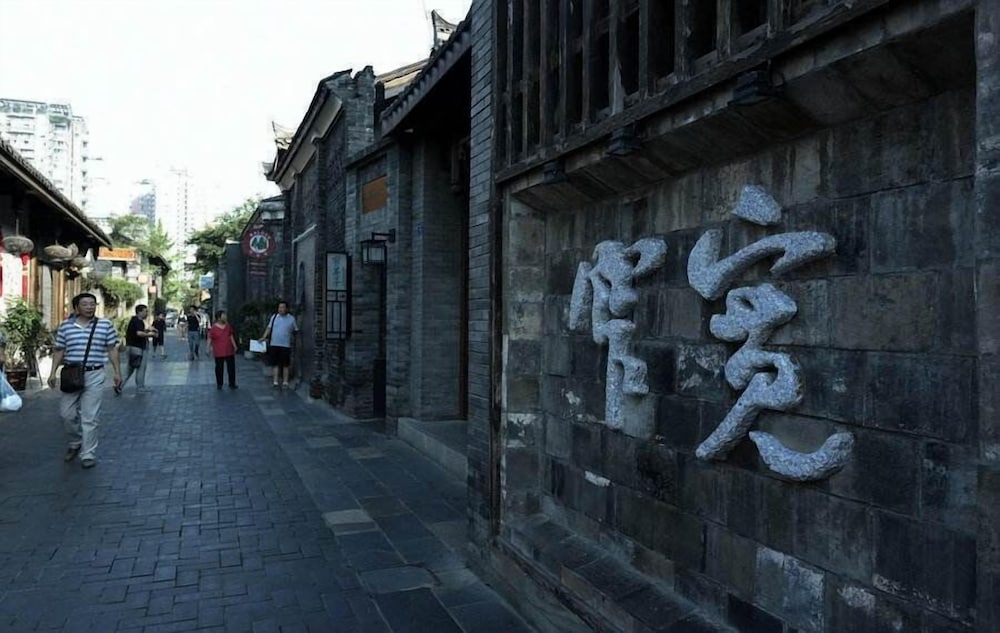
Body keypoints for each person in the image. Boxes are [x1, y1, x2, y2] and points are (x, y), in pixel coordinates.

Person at [47, 292, 122, 469]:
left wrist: (117, 372)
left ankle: (88, 453)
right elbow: (59, 350)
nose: (89, 307)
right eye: (85, 304)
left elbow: (112, 349)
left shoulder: (105, 325)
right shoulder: (66, 326)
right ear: (76, 308)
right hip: (71, 374)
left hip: (95, 374)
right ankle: (75, 441)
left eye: (92, 304)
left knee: (90, 417)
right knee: (66, 414)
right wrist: (52, 373)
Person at [117, 304, 156, 395]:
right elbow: (139, 333)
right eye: (145, 311)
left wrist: (147, 331)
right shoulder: (138, 321)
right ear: (139, 312)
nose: (146, 313)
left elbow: (137, 332)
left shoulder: (135, 320)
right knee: (140, 368)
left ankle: (119, 385)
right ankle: (140, 387)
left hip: (133, 347)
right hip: (138, 348)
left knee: (130, 368)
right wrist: (151, 335)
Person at [258, 300, 298, 389]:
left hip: (285, 345)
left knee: (285, 365)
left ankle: (285, 382)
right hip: (274, 344)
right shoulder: (274, 317)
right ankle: (275, 382)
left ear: (287, 309)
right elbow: (269, 328)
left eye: (283, 307)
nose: (281, 309)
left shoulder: (291, 318)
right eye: (279, 307)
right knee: (275, 364)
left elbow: (295, 330)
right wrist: (264, 337)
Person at [207, 310, 238, 390]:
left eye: (225, 315)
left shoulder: (228, 326)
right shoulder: (214, 328)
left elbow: (230, 336)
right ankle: (219, 383)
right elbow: (210, 338)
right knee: (219, 368)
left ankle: (232, 383)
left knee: (231, 368)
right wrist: (208, 348)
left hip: (229, 350)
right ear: (219, 318)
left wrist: (234, 346)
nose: (225, 317)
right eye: (223, 316)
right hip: (219, 351)